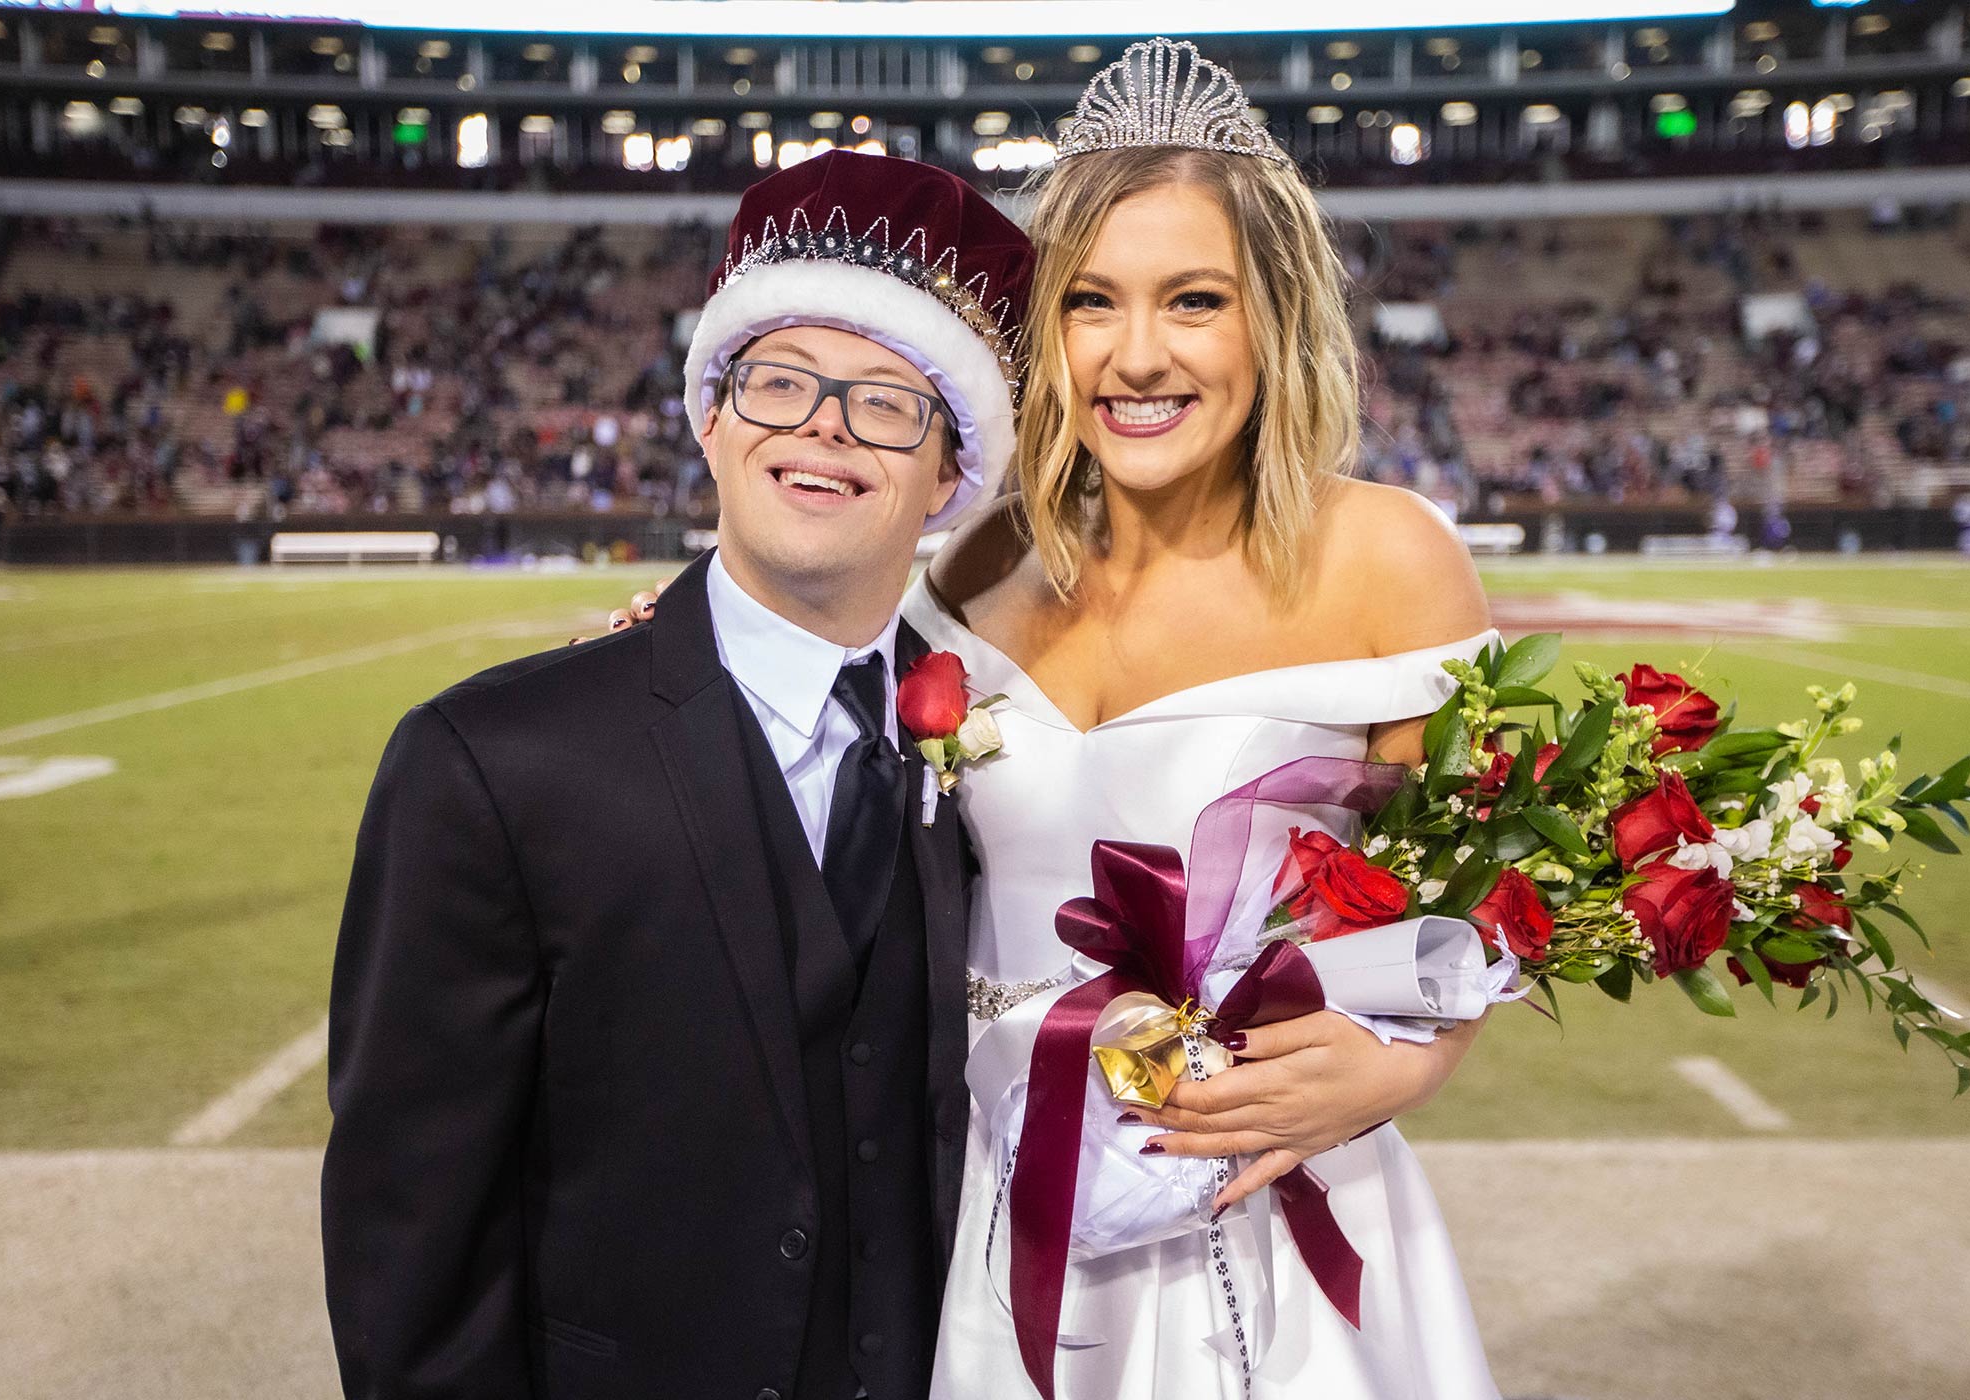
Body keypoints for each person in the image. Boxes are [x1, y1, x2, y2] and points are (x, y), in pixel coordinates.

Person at [321, 150, 1032, 1400]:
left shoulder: (1003, 742)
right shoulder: (489, 760)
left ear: (949, 476)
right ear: (711, 416)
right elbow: (410, 1233)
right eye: (780, 381)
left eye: (885, 402)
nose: (823, 423)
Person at [906, 39, 1503, 1399]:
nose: (1136, 356)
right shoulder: (976, 564)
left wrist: (1404, 1072)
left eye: (1193, 301)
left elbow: (1500, 882)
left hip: (1267, 1196)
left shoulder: (1387, 557)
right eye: (1091, 304)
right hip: (1004, 1209)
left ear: (1271, 319)